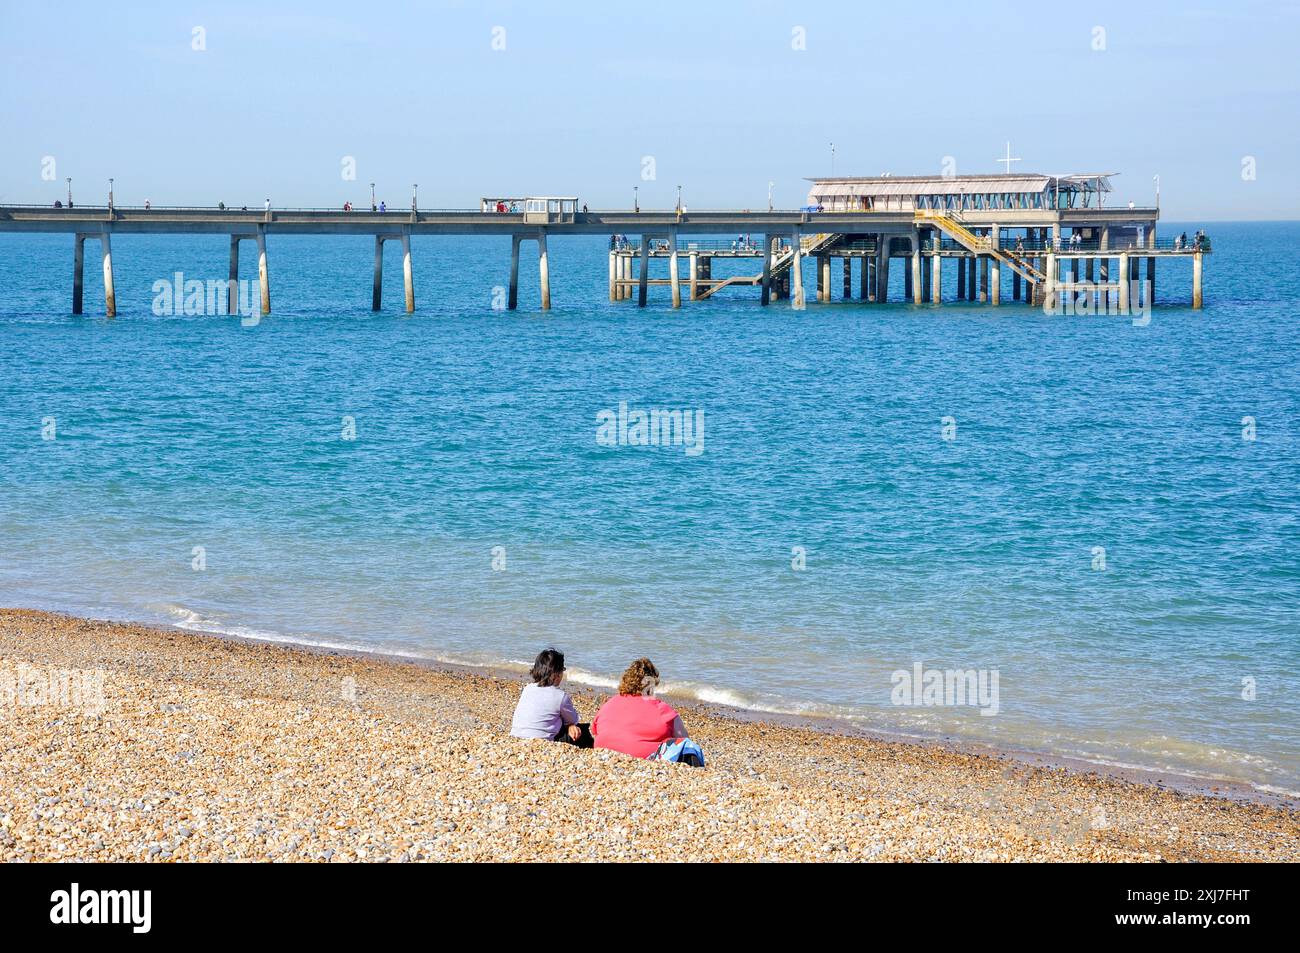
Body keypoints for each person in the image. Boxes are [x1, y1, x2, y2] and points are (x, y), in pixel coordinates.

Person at [592, 658, 701, 765]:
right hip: (639, 754)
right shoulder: (661, 708)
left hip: (603, 749)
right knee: (689, 746)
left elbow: (595, 730)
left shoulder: (609, 704)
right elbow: (682, 737)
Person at [510, 648, 591, 747]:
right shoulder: (560, 696)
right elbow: (573, 719)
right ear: (557, 674)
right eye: (562, 670)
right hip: (542, 741)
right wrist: (570, 725)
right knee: (583, 730)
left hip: (517, 736)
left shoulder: (527, 688)